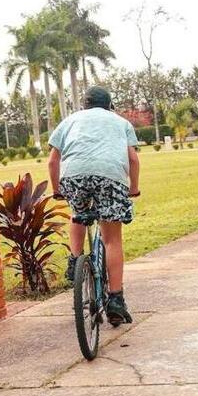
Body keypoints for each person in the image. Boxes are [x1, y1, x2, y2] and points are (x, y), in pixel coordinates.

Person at [48, 86, 140, 325]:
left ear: (84, 105)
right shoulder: (120, 122)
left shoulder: (69, 121)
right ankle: (116, 299)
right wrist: (133, 188)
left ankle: (74, 261)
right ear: (109, 105)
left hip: (74, 176)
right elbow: (133, 159)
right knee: (112, 240)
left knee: (78, 214)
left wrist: (57, 190)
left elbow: (52, 161)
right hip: (110, 177)